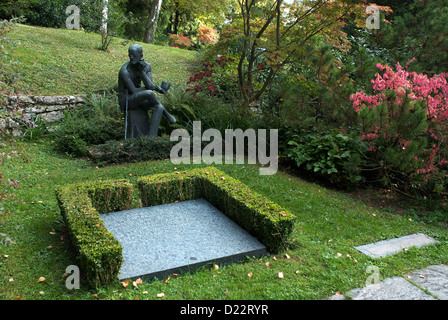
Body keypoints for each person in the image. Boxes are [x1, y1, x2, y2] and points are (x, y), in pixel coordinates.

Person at [118, 44, 176, 138]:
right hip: (127, 99)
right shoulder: (124, 71)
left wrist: (142, 72)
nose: (131, 57)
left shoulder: (146, 66)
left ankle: (151, 139)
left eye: (134, 55)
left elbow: (149, 85)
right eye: (130, 54)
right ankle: (167, 114)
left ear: (141, 56)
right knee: (149, 93)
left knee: (159, 107)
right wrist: (156, 89)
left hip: (139, 97)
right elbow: (134, 91)